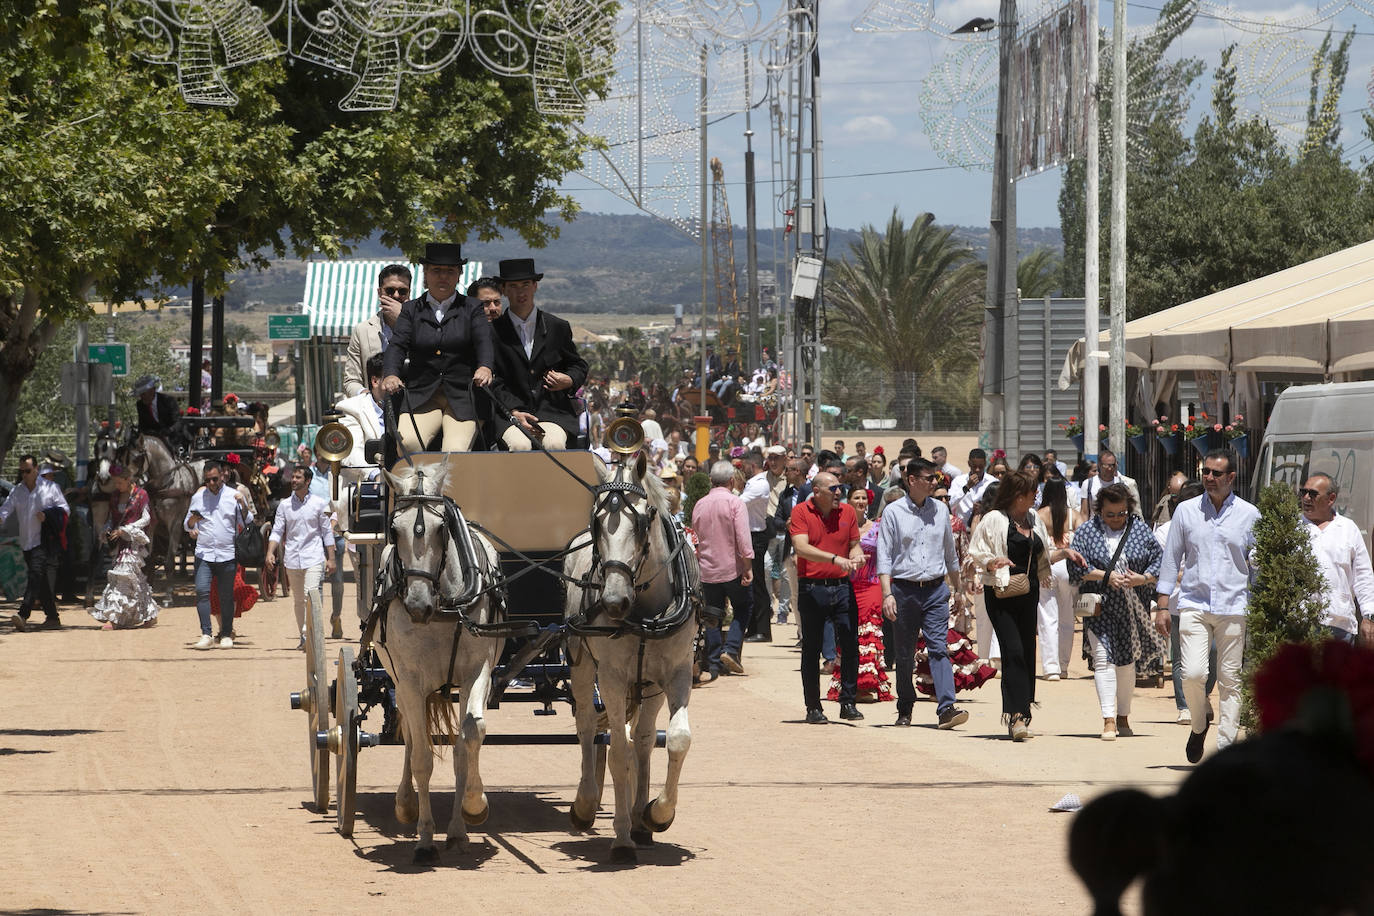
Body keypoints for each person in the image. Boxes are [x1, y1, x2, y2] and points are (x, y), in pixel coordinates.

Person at [1155, 448, 1259, 763]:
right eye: (1205, 472)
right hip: (1193, 603)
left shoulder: (1249, 515)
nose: (1209, 478)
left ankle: (1226, 749)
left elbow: (1258, 564)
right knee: (1192, 674)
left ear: (1231, 477)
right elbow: (1171, 558)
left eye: (1216, 474)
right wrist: (1162, 603)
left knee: (1230, 679)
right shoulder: (1186, 511)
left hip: (1234, 606)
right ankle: (1199, 725)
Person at [968, 471, 1085, 741]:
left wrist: (1065, 553)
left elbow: (1044, 553)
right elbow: (977, 550)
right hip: (1001, 592)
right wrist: (992, 562)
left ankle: (1023, 712)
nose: (1037, 497)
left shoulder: (1033, 520)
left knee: (1027, 650)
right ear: (1019, 496)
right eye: (1033, 493)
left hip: (1028, 590)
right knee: (1013, 651)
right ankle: (1016, 715)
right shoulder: (994, 519)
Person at [877, 458, 969, 729]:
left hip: (935, 591)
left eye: (935, 478)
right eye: (928, 478)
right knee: (904, 654)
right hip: (903, 591)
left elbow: (951, 555)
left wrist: (959, 589)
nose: (934, 483)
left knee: (938, 648)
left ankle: (946, 708)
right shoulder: (893, 512)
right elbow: (883, 557)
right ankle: (905, 707)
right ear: (912, 480)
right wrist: (887, 594)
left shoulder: (941, 511)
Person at [1068, 483, 1163, 740]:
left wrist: (1142, 579)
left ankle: (1123, 716)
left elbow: (1159, 560)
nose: (1116, 519)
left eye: (1120, 513)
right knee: (1103, 660)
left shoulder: (1140, 529)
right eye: (1110, 514)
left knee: (1126, 663)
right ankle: (1108, 719)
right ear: (1100, 511)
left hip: (1133, 609)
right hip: (1101, 607)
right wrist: (1106, 577)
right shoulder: (1087, 531)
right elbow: (1077, 568)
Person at [381, 243, 494, 453]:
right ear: (425, 273)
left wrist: (485, 367)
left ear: (459, 274)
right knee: (407, 443)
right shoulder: (410, 309)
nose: (443, 276)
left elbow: (484, 342)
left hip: (463, 397)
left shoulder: (473, 307)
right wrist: (391, 374)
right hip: (422, 396)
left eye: (450, 271)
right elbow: (397, 345)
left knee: (454, 451)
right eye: (436, 271)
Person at [488, 258, 589, 450]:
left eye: (526, 284)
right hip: (510, 415)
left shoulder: (557, 327)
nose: (521, 291)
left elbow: (578, 365)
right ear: (504, 290)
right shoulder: (493, 332)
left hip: (552, 413)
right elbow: (493, 378)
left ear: (535, 286)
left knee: (555, 444)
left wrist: (568, 380)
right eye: (514, 286)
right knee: (520, 446)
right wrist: (513, 411)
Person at [789, 471, 864, 724]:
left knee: (851, 643)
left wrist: (856, 555)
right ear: (817, 491)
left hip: (842, 586)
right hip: (812, 588)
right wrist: (834, 558)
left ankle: (848, 702)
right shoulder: (801, 511)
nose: (839, 493)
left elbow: (854, 543)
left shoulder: (848, 513)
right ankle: (813, 707)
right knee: (812, 648)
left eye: (840, 488)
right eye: (833, 489)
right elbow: (801, 547)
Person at [825, 487, 893, 704]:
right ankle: (849, 683)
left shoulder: (878, 526)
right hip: (847, 584)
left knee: (869, 630)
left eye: (864, 497)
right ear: (849, 501)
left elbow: (886, 555)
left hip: (872, 584)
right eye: (857, 498)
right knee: (848, 632)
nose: (861, 501)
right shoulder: (841, 526)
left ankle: (867, 684)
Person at [1156, 480, 1215, 725]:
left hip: (1212, 602)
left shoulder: (1214, 526)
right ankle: (1185, 706)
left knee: (1212, 655)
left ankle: (1202, 696)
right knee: (1182, 658)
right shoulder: (1163, 531)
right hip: (1179, 601)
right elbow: (1164, 567)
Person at [691, 460, 754, 680]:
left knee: (713, 615)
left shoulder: (700, 504)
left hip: (708, 568)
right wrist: (748, 565)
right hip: (732, 567)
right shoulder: (735, 503)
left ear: (711, 481)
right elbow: (743, 538)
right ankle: (731, 649)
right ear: (731, 480)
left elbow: (696, 535)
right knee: (743, 607)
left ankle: (715, 663)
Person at [185, 459, 253, 649]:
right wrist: (193, 523)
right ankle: (206, 634)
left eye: (215, 479)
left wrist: (243, 503)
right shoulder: (198, 498)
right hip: (204, 553)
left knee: (225, 595)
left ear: (221, 477)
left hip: (227, 554)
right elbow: (187, 524)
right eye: (208, 480)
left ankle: (225, 634)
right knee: (201, 591)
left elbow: (247, 520)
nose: (212, 484)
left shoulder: (233, 496)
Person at [266, 465, 336, 649]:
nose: (294, 480)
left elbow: (327, 532)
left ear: (308, 481)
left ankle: (311, 635)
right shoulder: (285, 505)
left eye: (298, 478)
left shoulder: (319, 504)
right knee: (298, 600)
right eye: (293, 477)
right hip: (292, 558)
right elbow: (277, 530)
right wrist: (269, 552)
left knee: (310, 596)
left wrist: (331, 558)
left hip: (314, 557)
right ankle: (304, 636)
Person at [1299, 472, 1374, 645]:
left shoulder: (1348, 529)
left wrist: (1369, 615)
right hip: (1300, 626)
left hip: (1340, 626)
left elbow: (1363, 576)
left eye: (1313, 494)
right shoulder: (1292, 528)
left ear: (1331, 498)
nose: (1306, 498)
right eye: (1303, 492)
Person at [1, 454, 70, 630]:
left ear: (36, 469)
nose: (24, 474)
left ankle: (23, 614)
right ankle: (53, 617)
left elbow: (65, 510)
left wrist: (48, 516)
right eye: (22, 471)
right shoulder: (17, 491)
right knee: (41, 579)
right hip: (26, 542)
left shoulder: (50, 488)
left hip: (44, 540)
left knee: (35, 574)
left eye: (28, 470)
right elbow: (5, 509)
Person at [89, 464, 159, 629]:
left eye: (120, 483)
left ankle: (114, 618)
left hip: (133, 542)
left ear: (128, 480)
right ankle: (149, 615)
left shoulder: (141, 495)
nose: (117, 486)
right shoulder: (114, 497)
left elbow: (146, 518)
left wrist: (127, 529)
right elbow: (112, 519)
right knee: (135, 578)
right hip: (120, 544)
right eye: (115, 483)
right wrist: (107, 529)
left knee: (123, 575)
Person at [1036, 477, 1081, 680]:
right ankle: (1063, 666)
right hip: (1069, 567)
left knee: (1047, 617)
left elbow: (1035, 545)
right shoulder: (1074, 516)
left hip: (1048, 565)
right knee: (1067, 619)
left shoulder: (1038, 515)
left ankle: (1051, 668)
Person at [344, 264, 411, 398]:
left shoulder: (420, 327)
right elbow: (351, 381)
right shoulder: (362, 331)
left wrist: (403, 321)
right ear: (380, 292)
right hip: (375, 410)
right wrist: (369, 399)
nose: (396, 296)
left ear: (409, 293)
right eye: (390, 291)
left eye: (402, 291)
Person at [740, 448, 784, 642]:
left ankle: (763, 630)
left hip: (756, 536)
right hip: (752, 535)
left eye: (744, 467)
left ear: (752, 465)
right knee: (752, 584)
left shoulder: (758, 485)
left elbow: (738, 503)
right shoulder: (755, 483)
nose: (743, 470)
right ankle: (754, 627)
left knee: (757, 584)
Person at [308, 449, 347, 639]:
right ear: (317, 452)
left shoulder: (338, 476)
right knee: (318, 581)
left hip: (335, 533)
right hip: (315, 535)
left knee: (337, 581)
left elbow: (342, 503)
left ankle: (336, 616)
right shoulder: (308, 475)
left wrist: (332, 525)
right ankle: (318, 624)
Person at [1079, 448, 1140, 517]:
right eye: (1107, 465)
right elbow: (1084, 512)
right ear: (1099, 465)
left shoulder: (1123, 484)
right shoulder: (1088, 484)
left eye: (1113, 465)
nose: (1110, 468)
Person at [949, 448, 994, 521]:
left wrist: (984, 507)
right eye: (974, 466)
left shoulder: (992, 482)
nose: (977, 470)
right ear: (969, 464)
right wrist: (966, 487)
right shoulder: (958, 481)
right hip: (962, 528)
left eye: (980, 467)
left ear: (985, 463)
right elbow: (950, 504)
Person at [134, 375, 183, 441]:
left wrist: (170, 430)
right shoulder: (140, 404)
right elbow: (142, 426)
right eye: (140, 395)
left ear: (152, 391)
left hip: (173, 438)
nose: (141, 397)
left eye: (143, 394)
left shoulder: (168, 400)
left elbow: (178, 421)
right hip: (154, 440)